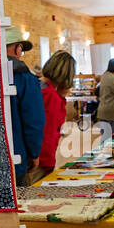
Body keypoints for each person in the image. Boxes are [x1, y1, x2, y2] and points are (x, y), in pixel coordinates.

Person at [4, 26, 44, 186]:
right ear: (17, 48)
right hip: (17, 157)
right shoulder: (26, 79)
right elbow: (34, 121)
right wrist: (34, 153)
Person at [38, 49, 76, 177]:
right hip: (41, 161)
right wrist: (49, 163)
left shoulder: (38, 85)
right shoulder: (51, 96)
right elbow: (50, 132)